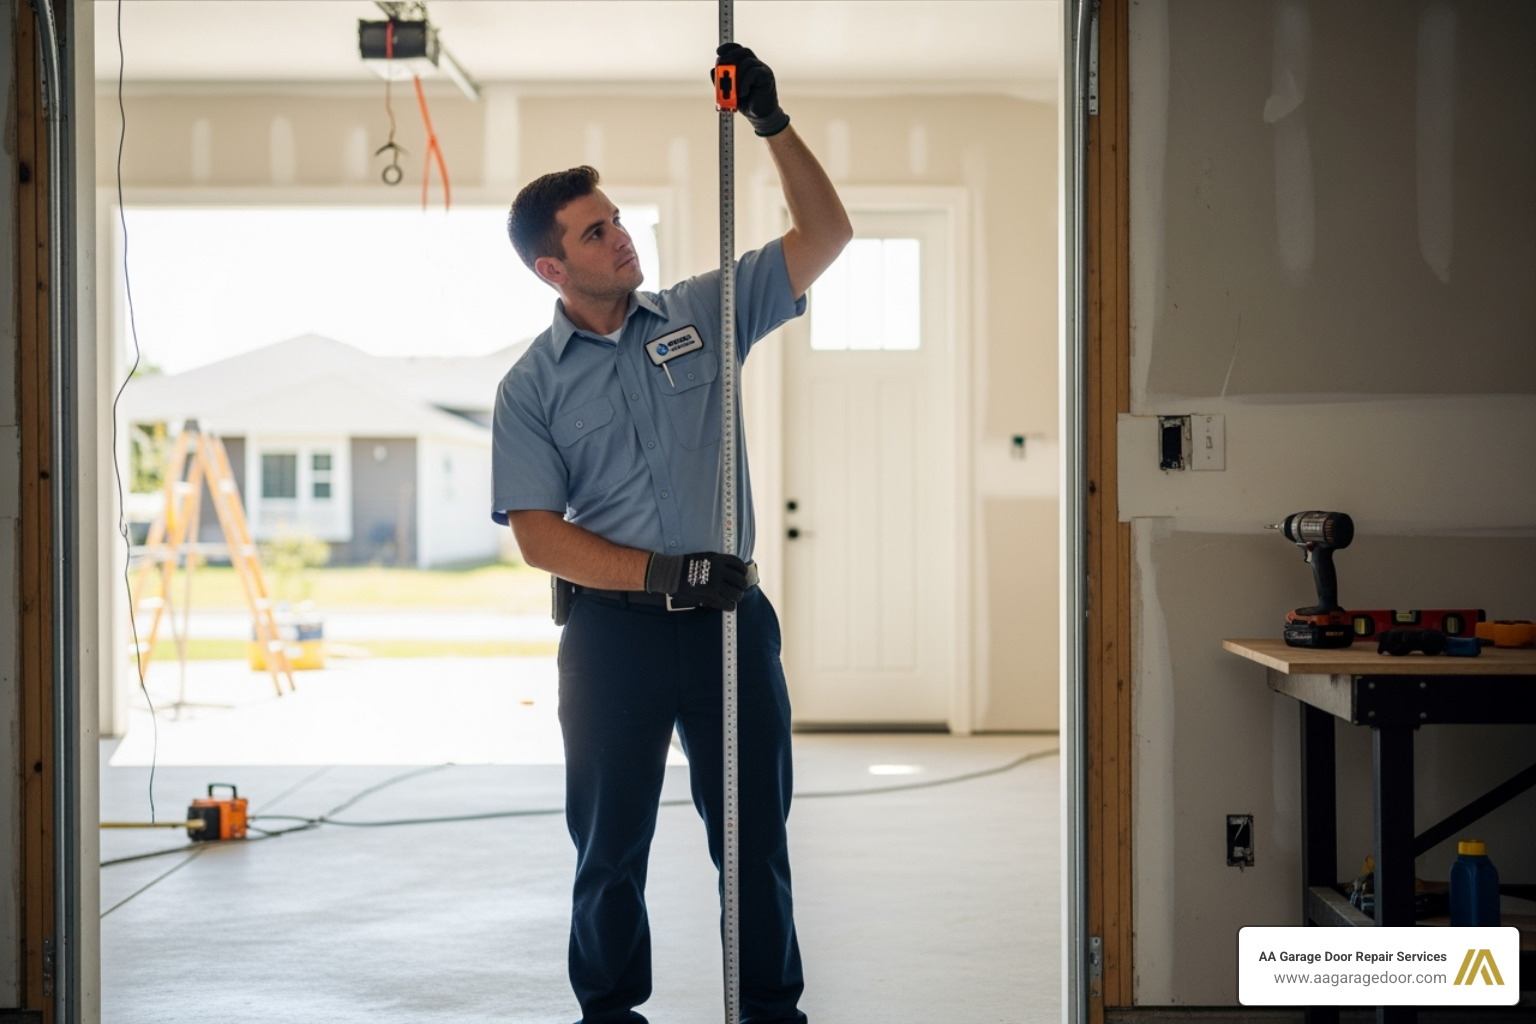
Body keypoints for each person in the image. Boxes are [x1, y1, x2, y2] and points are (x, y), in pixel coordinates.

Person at [491, 43, 851, 1024]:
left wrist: (771, 123)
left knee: (754, 839)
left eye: (617, 219)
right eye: (596, 231)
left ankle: (770, 1010)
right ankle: (610, 1012)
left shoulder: (704, 311)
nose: (622, 237)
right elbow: (539, 536)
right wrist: (663, 572)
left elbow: (826, 234)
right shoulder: (530, 388)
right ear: (552, 267)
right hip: (613, 640)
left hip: (732, 626)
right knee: (609, 846)